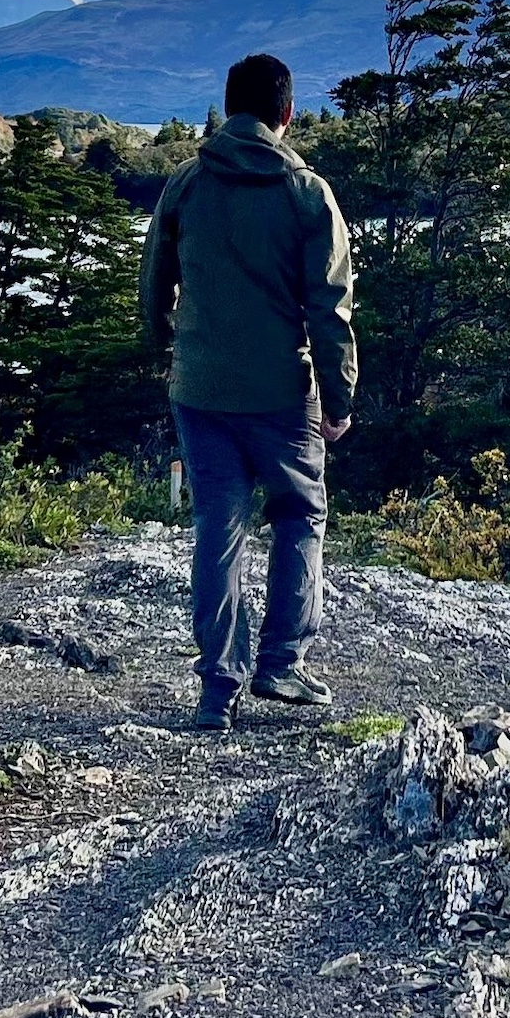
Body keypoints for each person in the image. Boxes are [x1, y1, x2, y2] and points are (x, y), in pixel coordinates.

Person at [140, 52, 357, 731]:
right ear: (286, 115)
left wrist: (168, 353)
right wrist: (341, 398)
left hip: (199, 387)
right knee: (298, 514)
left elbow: (153, 286)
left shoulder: (185, 184)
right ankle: (281, 664)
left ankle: (217, 689)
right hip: (283, 394)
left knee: (217, 527)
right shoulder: (306, 194)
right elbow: (330, 309)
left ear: (229, 107)